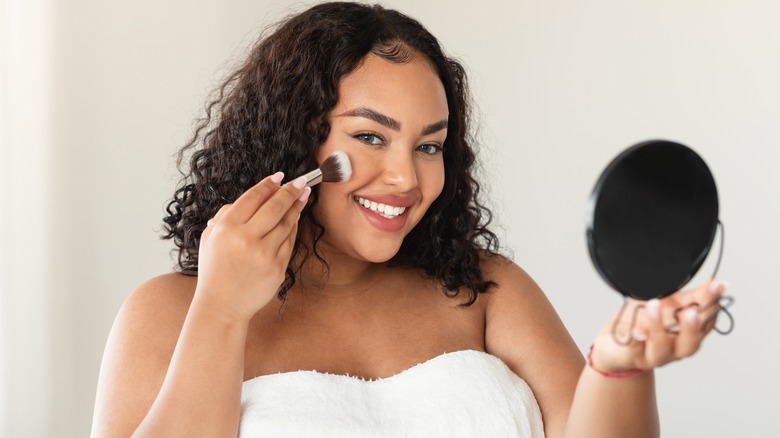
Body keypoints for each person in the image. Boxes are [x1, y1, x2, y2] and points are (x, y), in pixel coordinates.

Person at [90, 2, 728, 437]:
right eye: (371, 137)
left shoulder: (486, 291)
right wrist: (223, 311)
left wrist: (619, 363)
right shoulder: (169, 312)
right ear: (294, 142)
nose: (406, 178)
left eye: (429, 146)